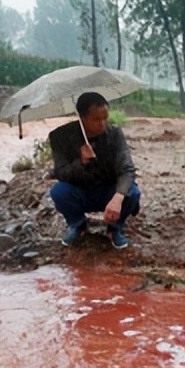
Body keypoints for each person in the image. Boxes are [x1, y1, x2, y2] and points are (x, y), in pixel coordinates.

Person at [49, 91, 141, 249]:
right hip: (80, 190)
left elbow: (127, 169)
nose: (102, 123)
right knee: (58, 192)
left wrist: (118, 197)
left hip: (109, 190)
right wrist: (81, 162)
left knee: (132, 192)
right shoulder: (60, 136)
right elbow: (61, 173)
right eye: (96, 119)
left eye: (105, 118)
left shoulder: (115, 134)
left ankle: (115, 228)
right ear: (82, 118)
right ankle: (78, 225)